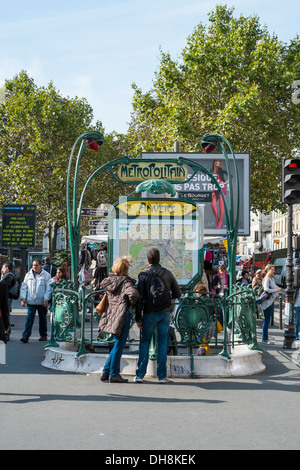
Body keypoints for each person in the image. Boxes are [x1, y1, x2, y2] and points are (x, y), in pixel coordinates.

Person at [134, 248, 182, 384]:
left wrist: (138, 317)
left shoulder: (143, 275)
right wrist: (167, 299)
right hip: (165, 312)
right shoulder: (167, 273)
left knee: (145, 342)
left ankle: (140, 375)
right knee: (162, 342)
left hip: (149, 313)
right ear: (159, 259)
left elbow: (139, 299)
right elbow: (178, 293)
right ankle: (162, 376)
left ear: (148, 260)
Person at [99, 256, 139, 383]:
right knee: (119, 344)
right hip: (122, 315)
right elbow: (133, 294)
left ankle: (106, 371)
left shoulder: (110, 281)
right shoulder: (126, 282)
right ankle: (114, 373)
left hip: (112, 314)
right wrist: (131, 303)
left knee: (116, 343)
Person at [20, 259, 52, 343]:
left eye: (36, 265)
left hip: (42, 301)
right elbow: (24, 287)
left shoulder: (46, 275)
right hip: (31, 301)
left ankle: (43, 335)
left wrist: (46, 299)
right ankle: (25, 336)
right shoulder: (28, 275)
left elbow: (49, 288)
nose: (34, 267)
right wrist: (23, 298)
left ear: (41, 266)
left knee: (42, 318)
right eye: (33, 265)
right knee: (29, 318)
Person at [260, 264, 281, 345]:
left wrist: (276, 292)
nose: (274, 271)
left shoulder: (271, 279)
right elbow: (266, 290)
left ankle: (265, 338)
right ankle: (264, 338)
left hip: (270, 302)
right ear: (268, 270)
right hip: (266, 303)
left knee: (267, 320)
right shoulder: (267, 279)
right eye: (272, 269)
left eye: (274, 269)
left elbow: (272, 288)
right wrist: (276, 290)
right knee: (266, 321)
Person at [1, 262, 17, 341]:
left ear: (6, 268)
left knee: (6, 314)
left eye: (2, 268)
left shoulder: (9, 275)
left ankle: (6, 332)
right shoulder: (8, 275)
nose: (1, 270)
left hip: (7, 298)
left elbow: (3, 286)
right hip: (7, 297)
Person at [210, 159, 229, 229]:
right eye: (216, 161)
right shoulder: (211, 171)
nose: (217, 162)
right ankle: (218, 220)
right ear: (214, 162)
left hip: (221, 188)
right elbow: (211, 182)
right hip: (215, 189)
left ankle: (220, 220)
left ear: (220, 163)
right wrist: (212, 191)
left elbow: (231, 175)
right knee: (213, 205)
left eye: (218, 161)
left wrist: (224, 182)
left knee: (221, 205)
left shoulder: (221, 170)